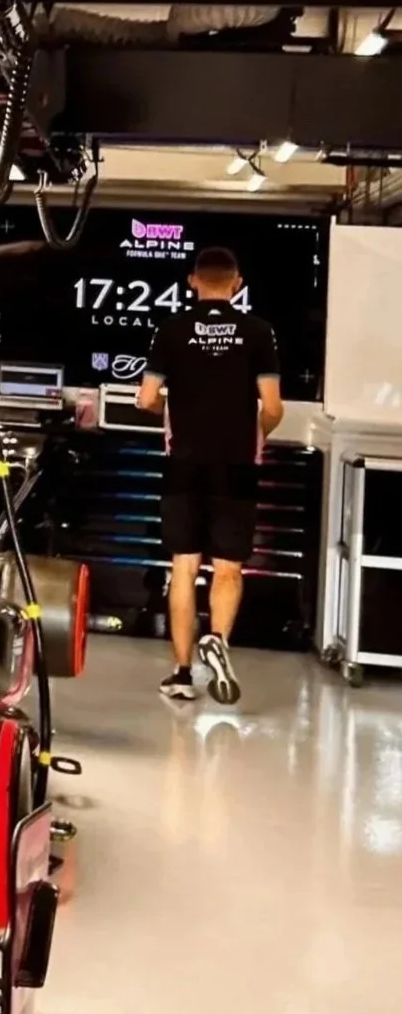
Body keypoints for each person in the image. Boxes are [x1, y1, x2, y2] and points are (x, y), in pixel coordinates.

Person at [137, 246, 283, 705]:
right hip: (237, 463)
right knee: (229, 567)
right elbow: (274, 407)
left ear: (192, 281)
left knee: (184, 565)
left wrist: (173, 411)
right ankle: (217, 640)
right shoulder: (259, 332)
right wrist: (254, 432)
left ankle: (182, 674)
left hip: (184, 462)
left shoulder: (171, 330)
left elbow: (145, 399)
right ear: (237, 283)